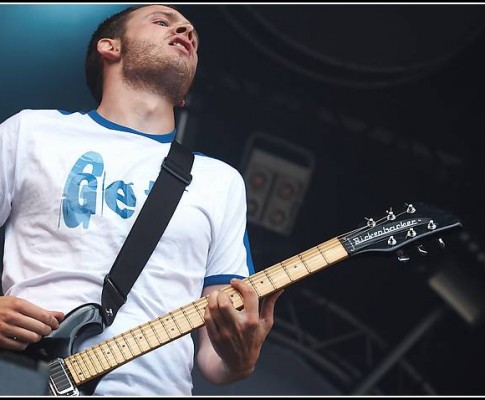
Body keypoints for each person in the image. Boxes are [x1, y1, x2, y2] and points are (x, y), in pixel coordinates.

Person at [0, 4, 283, 396]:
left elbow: (214, 362)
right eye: (163, 21)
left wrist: (242, 359)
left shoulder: (220, 182)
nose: (184, 30)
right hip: (21, 377)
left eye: (193, 36)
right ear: (109, 47)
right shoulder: (30, 132)